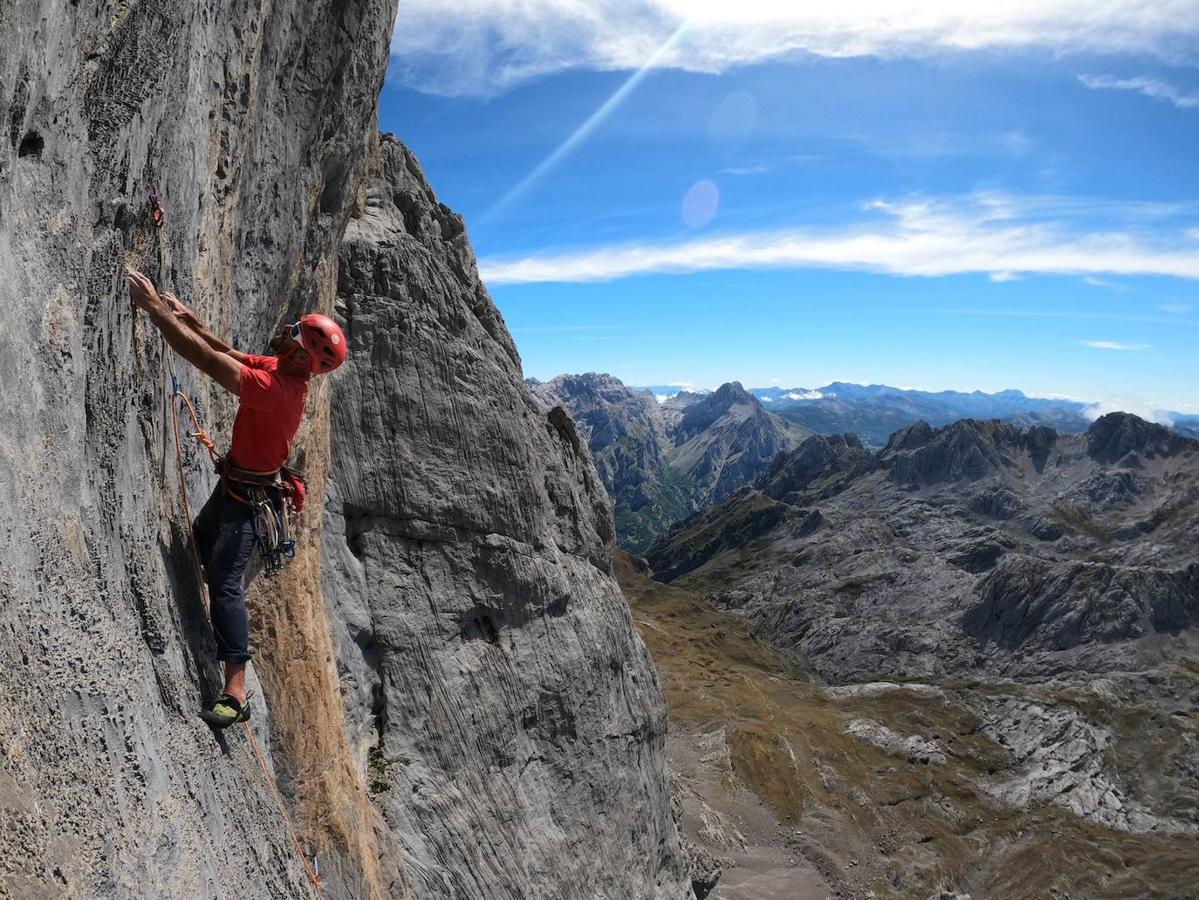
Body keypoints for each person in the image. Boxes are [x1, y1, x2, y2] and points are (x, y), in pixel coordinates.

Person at [126, 269, 346, 727]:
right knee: (200, 551)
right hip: (236, 490)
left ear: (303, 355)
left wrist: (154, 309)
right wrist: (188, 317)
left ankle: (236, 690)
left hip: (247, 503)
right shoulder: (280, 371)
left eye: (294, 334)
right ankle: (207, 628)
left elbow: (204, 360)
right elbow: (224, 349)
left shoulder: (276, 390)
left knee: (225, 581)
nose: (285, 333)